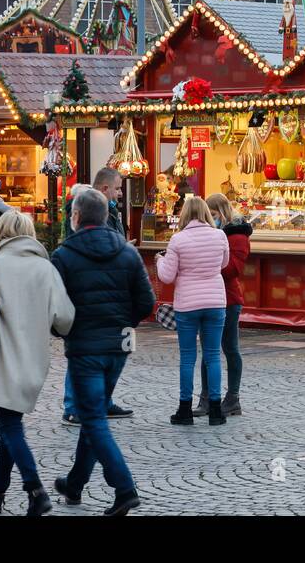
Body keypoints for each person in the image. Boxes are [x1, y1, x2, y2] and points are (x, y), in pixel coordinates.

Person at [50, 188, 155, 516]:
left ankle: (124, 488)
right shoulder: (127, 252)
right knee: (93, 415)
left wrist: (62, 331)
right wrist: (124, 322)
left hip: (84, 349)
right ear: (107, 216)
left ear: (77, 217)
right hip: (119, 347)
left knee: (93, 418)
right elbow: (147, 302)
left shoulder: (63, 256)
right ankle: (75, 484)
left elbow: (54, 309)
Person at [0, 210, 75, 516]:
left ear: (0, 233)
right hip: (33, 363)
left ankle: (35, 489)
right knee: (10, 425)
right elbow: (65, 319)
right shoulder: (45, 269)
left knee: (10, 426)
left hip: (1, 361)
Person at [62, 169, 134, 424]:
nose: (120, 192)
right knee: (80, 352)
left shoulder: (109, 210)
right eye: (117, 188)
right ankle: (72, 407)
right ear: (104, 189)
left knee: (109, 351)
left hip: (106, 292)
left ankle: (103, 401)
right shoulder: (82, 209)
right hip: (86, 293)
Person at [156, 197, 230, 425]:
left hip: (187, 304)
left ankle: (185, 409)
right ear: (207, 213)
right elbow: (223, 264)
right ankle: (216, 410)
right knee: (213, 356)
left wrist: (160, 260)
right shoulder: (220, 236)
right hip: (215, 301)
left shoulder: (178, 240)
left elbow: (167, 276)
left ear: (185, 215)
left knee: (188, 357)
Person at [201, 193, 252, 417]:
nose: (212, 220)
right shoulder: (214, 233)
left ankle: (233, 398)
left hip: (229, 299)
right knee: (208, 351)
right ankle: (206, 398)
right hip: (209, 297)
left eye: (213, 215)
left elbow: (233, 269)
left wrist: (208, 262)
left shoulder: (238, 237)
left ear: (221, 213)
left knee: (230, 348)